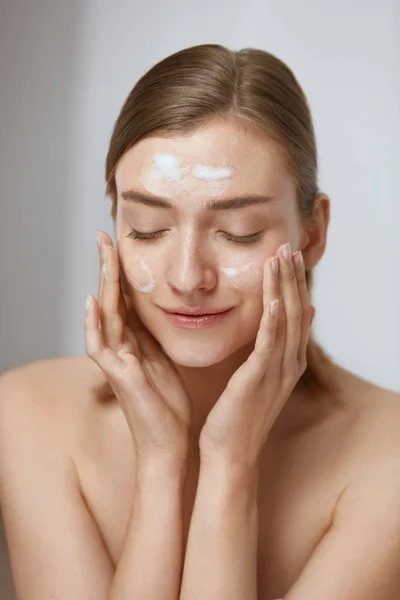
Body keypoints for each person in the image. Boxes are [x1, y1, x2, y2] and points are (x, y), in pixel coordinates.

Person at [0, 43, 399, 600]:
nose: (188, 277)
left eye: (238, 232)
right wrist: (161, 466)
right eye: (147, 228)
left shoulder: (390, 457)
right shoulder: (27, 414)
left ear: (312, 235)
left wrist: (230, 464)